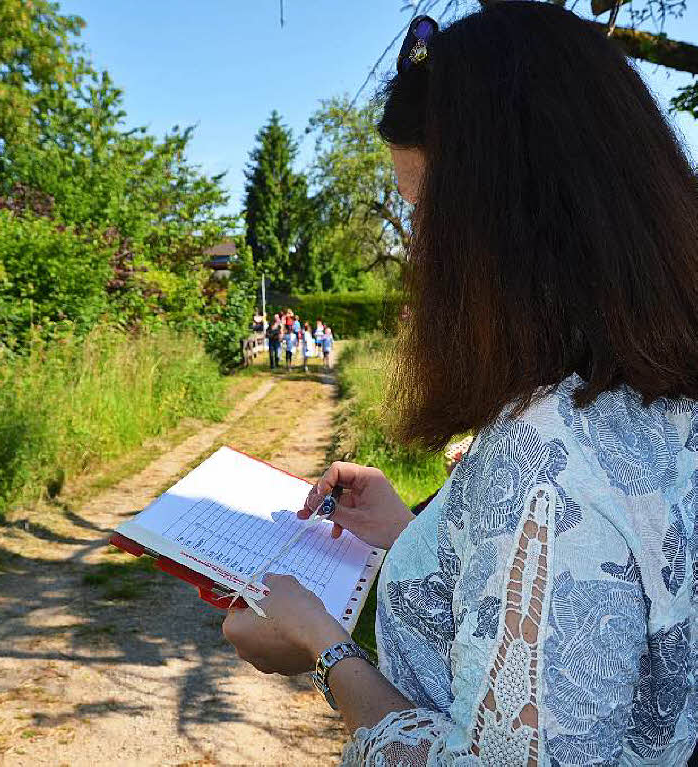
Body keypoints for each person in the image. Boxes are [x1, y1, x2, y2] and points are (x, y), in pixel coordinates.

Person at [221, 4, 698, 765]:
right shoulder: (660, 396)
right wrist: (420, 533)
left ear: (501, 221)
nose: (417, 254)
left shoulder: (545, 451)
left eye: (422, 214)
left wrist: (322, 644)